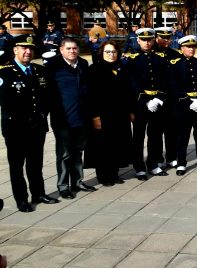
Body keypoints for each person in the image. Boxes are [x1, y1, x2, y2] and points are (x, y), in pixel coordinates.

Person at [0, 35, 59, 212]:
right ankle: (21, 199)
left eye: (30, 49)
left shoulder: (40, 70)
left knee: (36, 163)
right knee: (17, 165)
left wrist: (41, 114)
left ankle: (38, 193)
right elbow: (4, 100)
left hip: (36, 126)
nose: (28, 52)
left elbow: (48, 97)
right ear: (15, 50)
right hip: (15, 127)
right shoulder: (4, 72)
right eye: (23, 48)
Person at [47, 38, 96, 198]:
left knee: (77, 151)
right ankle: (63, 186)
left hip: (81, 117)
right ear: (61, 50)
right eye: (68, 48)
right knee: (64, 154)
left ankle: (77, 181)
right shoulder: (53, 67)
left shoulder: (82, 64)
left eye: (74, 48)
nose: (72, 51)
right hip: (63, 118)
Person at [125, 28, 170, 180]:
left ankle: (153, 164)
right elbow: (132, 83)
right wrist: (145, 100)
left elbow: (166, 80)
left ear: (153, 40)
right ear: (138, 40)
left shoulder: (160, 57)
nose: (147, 42)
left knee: (155, 135)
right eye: (143, 40)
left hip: (157, 103)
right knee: (138, 137)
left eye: (149, 39)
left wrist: (159, 98)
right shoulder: (133, 59)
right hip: (140, 105)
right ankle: (139, 166)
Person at [86, 41, 131, 186]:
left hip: (120, 114)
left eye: (114, 52)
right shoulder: (94, 69)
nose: (111, 55)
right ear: (102, 53)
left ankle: (114, 173)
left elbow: (128, 92)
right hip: (103, 115)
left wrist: (131, 111)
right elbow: (91, 95)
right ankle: (103, 175)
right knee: (103, 146)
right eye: (108, 52)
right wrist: (95, 116)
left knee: (118, 143)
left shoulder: (122, 68)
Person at [169, 35, 197, 174]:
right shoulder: (175, 64)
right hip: (183, 106)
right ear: (182, 48)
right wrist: (188, 101)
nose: (191, 49)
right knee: (182, 137)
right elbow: (174, 86)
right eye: (188, 47)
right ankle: (181, 163)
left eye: (193, 47)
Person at [154, 27, 182, 170]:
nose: (166, 40)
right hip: (156, 99)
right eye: (162, 37)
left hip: (172, 99)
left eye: (168, 38)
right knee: (157, 131)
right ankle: (158, 158)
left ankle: (172, 157)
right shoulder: (152, 54)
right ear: (156, 38)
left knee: (172, 130)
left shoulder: (175, 54)